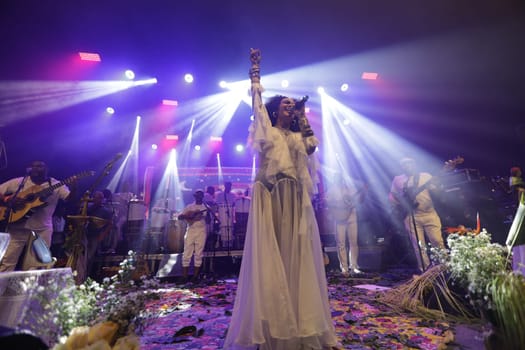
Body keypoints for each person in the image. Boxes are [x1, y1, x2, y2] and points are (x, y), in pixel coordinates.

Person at [224, 49, 338, 349]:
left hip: (295, 200)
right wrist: (255, 73)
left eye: (294, 105)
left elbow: (312, 148)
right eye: (286, 104)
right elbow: (258, 107)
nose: (291, 107)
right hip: (272, 197)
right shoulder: (268, 132)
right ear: (277, 111)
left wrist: (303, 121)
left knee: (298, 257)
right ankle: (273, 326)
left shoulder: (298, 137)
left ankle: (303, 325)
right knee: (272, 256)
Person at [0, 161, 74, 271]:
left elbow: (70, 199)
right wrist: (8, 200)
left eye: (40, 166)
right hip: (17, 226)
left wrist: (74, 187)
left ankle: (28, 288)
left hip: (42, 229)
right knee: (7, 262)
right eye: (33, 166)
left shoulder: (55, 184)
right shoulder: (21, 181)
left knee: (35, 264)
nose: (36, 168)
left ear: (46, 169)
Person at [389, 157, 445, 272]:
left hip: (429, 213)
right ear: (401, 167)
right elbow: (392, 195)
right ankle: (425, 271)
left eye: (409, 163)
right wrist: (399, 206)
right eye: (404, 164)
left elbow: (436, 192)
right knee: (419, 246)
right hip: (411, 216)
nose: (407, 166)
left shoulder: (425, 176)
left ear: (414, 164)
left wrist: (437, 186)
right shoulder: (398, 179)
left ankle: (443, 268)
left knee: (437, 241)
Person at [325, 176, 366, 276]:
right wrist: (338, 206)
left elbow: (359, 201)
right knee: (341, 243)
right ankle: (344, 268)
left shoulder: (351, 188)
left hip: (352, 216)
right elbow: (327, 202)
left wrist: (363, 193)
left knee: (353, 242)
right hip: (339, 217)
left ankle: (354, 266)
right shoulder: (332, 190)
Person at [178, 190, 208, 282]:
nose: (198, 197)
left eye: (200, 196)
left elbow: (209, 221)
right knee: (187, 252)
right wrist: (189, 216)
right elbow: (180, 217)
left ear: (202, 197)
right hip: (190, 230)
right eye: (196, 196)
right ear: (194, 197)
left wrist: (208, 215)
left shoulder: (205, 207)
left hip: (201, 231)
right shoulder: (189, 207)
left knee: (198, 253)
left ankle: (195, 277)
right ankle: (184, 276)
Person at [85, 190, 113, 277]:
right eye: (95, 198)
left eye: (99, 198)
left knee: (90, 256)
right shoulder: (88, 208)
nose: (96, 200)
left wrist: (103, 235)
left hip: (96, 235)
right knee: (85, 255)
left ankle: (88, 275)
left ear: (102, 199)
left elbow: (110, 224)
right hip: (86, 234)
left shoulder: (106, 211)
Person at [506, 166, 525, 275]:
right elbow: (516, 191)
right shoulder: (514, 181)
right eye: (519, 171)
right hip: (519, 208)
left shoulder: (518, 181)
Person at [215, 181, 237, 249]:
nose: (229, 187)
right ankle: (223, 245)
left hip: (230, 216)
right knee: (223, 228)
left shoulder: (233, 195)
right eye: (227, 186)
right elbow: (217, 206)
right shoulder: (219, 195)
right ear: (225, 186)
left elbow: (234, 205)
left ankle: (230, 245)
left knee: (230, 229)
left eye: (230, 186)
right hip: (222, 215)